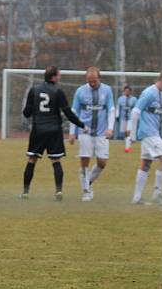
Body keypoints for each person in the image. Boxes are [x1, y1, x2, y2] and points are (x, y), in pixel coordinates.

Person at [20, 66, 85, 200]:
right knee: (56, 160)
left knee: (32, 160)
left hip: (38, 130)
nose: (60, 77)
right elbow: (67, 112)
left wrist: (33, 110)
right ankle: (59, 191)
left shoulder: (34, 90)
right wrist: (81, 124)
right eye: (59, 75)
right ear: (53, 77)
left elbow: (26, 113)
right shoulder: (58, 91)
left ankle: (25, 192)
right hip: (54, 130)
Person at [69, 67, 115, 201]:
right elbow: (74, 112)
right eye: (90, 81)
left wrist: (110, 128)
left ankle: (87, 182)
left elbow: (111, 109)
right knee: (85, 159)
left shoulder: (107, 90)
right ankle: (86, 191)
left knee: (102, 162)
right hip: (85, 131)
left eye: (94, 81)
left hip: (102, 132)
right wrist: (72, 133)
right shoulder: (80, 91)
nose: (92, 84)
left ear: (99, 78)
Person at [130, 71, 162, 205]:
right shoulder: (149, 93)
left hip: (154, 133)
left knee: (146, 164)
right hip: (148, 133)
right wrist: (132, 135)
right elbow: (135, 111)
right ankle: (157, 194)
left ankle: (137, 198)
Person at [117, 84, 137, 153]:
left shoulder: (134, 99)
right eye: (125, 91)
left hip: (130, 118)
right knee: (125, 132)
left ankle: (127, 148)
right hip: (123, 118)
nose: (127, 92)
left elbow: (136, 108)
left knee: (128, 131)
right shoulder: (120, 99)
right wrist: (117, 116)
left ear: (130, 92)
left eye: (128, 91)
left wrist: (136, 117)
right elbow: (118, 107)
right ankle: (128, 145)